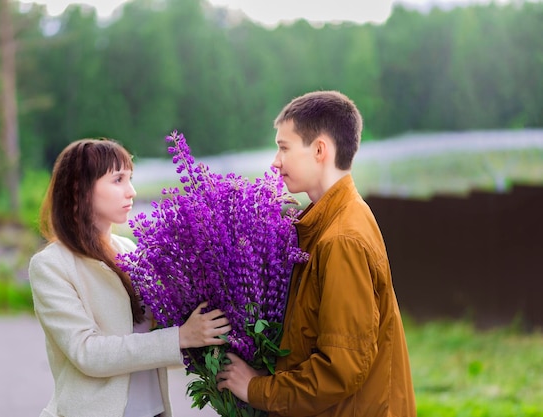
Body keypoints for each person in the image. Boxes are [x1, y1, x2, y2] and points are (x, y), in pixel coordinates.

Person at [216, 91, 416, 416]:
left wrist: (256, 389)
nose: (275, 162)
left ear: (320, 150)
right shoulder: (327, 223)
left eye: (284, 147)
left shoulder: (341, 238)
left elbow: (340, 368)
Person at [28, 138, 231, 417]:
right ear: (80, 189)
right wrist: (180, 337)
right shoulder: (51, 265)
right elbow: (88, 353)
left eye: (131, 179)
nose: (132, 191)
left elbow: (154, 339)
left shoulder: (131, 251)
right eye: (118, 180)